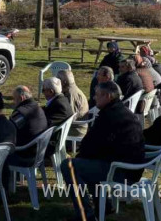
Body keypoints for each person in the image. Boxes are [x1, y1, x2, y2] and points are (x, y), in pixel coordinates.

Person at [60, 81, 145, 221]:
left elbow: (92, 144)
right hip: (130, 168)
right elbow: (98, 145)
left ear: (108, 96)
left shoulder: (110, 116)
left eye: (97, 95)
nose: (94, 98)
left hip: (121, 171)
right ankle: (104, 205)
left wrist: (81, 156)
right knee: (89, 164)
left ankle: (84, 214)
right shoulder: (121, 111)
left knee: (68, 165)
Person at [55, 69, 90, 137]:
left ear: (64, 82)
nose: (56, 82)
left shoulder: (70, 94)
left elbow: (69, 117)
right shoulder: (72, 90)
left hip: (75, 132)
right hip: (76, 128)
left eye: (58, 80)